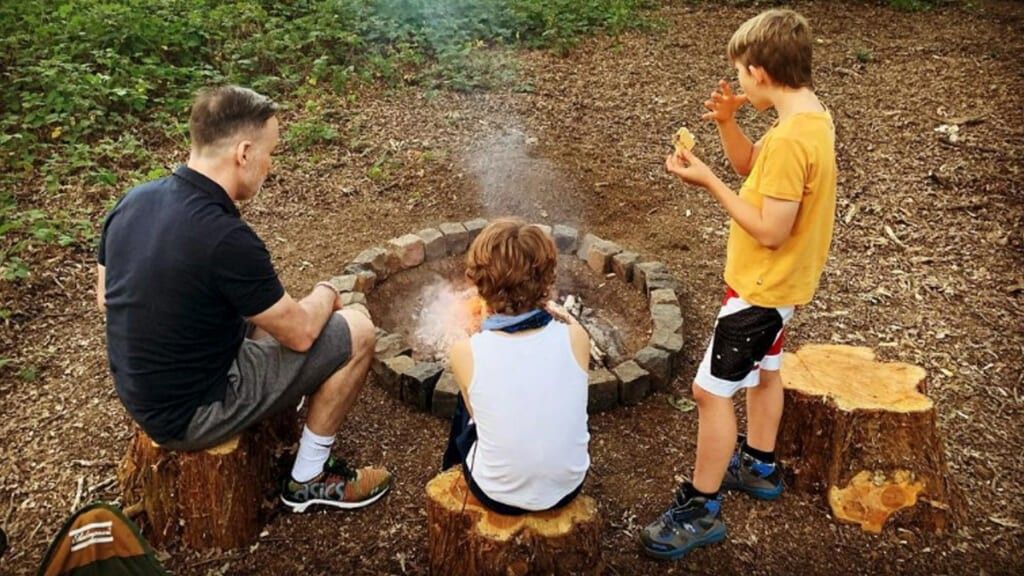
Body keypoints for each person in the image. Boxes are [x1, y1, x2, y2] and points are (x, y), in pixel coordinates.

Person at [96, 85, 391, 513]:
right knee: (359, 329)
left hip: (142, 392)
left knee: (261, 314)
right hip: (192, 413)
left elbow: (106, 298)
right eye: (270, 152)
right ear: (244, 152)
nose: (271, 166)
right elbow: (302, 334)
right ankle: (310, 478)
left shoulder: (133, 201)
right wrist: (327, 292)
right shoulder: (225, 237)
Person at [640, 9, 837, 559]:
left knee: (709, 392)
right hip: (782, 291)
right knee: (764, 374)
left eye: (740, 76)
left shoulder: (793, 139)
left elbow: (771, 229)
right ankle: (759, 464)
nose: (739, 83)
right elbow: (755, 167)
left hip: (759, 290)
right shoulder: (808, 120)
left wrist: (707, 183)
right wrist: (728, 122)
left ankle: (700, 509)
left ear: (759, 71)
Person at [442, 219, 591, 515]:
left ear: (479, 284)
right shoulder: (576, 337)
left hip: (496, 493)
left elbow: (477, 417)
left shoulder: (465, 352)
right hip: (568, 487)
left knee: (467, 407)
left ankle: (450, 467)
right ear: (547, 282)